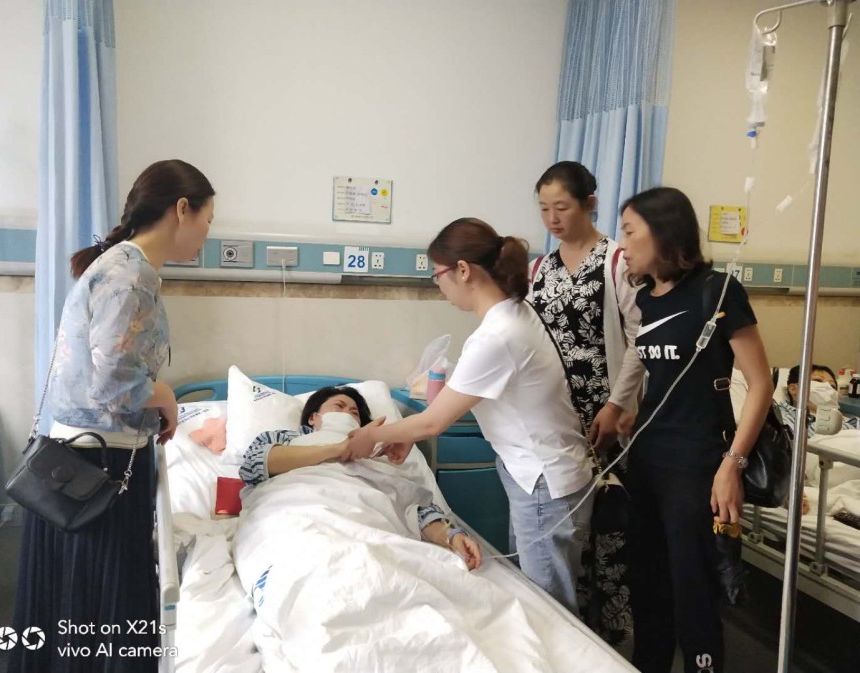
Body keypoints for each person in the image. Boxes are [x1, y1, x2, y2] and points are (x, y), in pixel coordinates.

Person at [8, 160, 215, 673]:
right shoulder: (131, 275)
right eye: (208, 220)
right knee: (102, 616)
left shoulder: (121, 266)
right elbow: (112, 382)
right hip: (96, 469)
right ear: (181, 209)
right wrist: (166, 396)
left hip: (83, 459)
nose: (208, 234)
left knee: (75, 613)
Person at [345, 217, 595, 615]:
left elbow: (434, 421)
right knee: (539, 597)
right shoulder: (514, 314)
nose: (439, 287)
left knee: (551, 610)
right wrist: (405, 433)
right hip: (542, 474)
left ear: (462, 270)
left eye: (437, 275)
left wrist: (371, 436)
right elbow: (459, 399)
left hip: (544, 480)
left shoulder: (498, 335)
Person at [617, 187, 773, 673]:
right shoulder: (646, 299)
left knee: (693, 592)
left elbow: (761, 383)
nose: (622, 245)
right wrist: (626, 414)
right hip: (648, 460)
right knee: (647, 588)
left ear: (663, 233)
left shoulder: (718, 292)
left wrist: (733, 465)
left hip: (696, 465)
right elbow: (662, 376)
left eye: (629, 232)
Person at [530, 161, 643, 642]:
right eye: (544, 209)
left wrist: (616, 405)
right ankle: (570, 636)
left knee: (610, 525)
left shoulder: (617, 262)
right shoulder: (540, 269)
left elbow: (640, 340)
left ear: (589, 203)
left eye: (562, 207)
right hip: (559, 419)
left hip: (608, 416)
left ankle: (614, 634)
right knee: (566, 526)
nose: (552, 219)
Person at [238, 386, 482, 570]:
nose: (348, 413)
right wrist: (339, 448)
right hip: (297, 511)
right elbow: (254, 467)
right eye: (339, 406)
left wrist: (450, 536)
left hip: (369, 519)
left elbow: (411, 504)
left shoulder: (379, 450)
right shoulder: (285, 438)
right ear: (313, 418)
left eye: (354, 413)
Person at [777, 364, 859, 435]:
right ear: (793, 389)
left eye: (832, 386)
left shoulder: (847, 421)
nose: (827, 387)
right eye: (817, 380)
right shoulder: (780, 417)